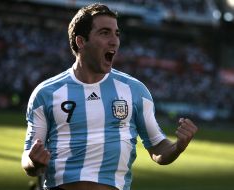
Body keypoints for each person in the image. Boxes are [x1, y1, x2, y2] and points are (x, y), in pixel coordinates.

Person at [21, 3, 198, 190]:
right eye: (105, 33)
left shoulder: (134, 91)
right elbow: (28, 159)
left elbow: (158, 148)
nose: (114, 41)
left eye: (117, 34)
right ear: (81, 42)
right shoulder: (46, 93)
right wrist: (34, 162)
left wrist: (177, 147)